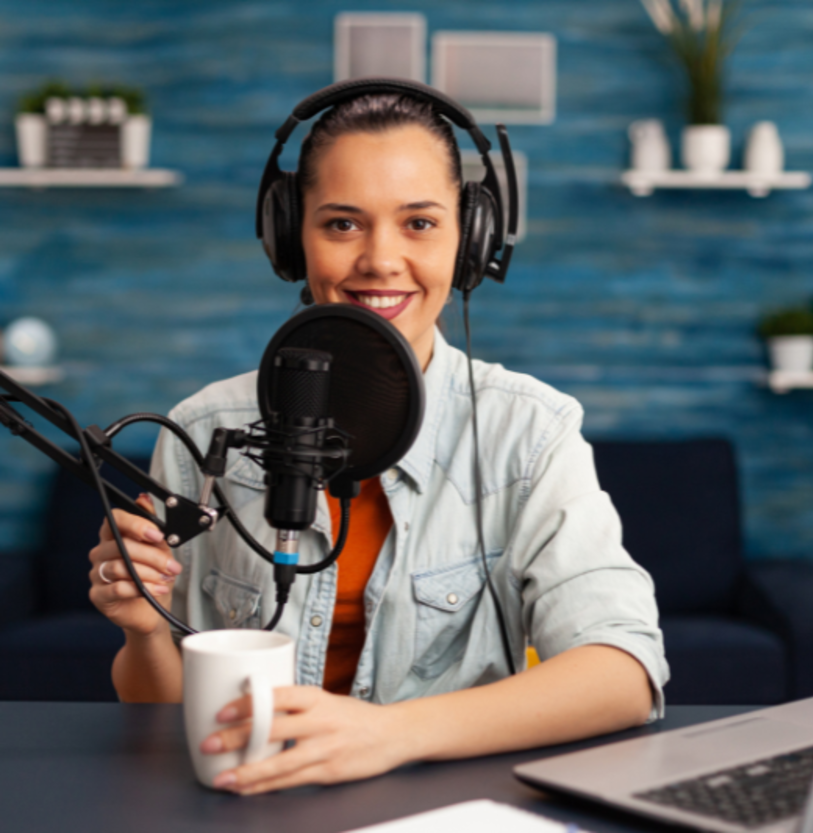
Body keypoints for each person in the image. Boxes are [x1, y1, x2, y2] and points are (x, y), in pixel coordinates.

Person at [88, 88, 668, 796]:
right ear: (288, 237)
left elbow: (624, 670)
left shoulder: (532, 430)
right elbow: (161, 712)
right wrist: (142, 630)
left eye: (420, 222)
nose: (381, 259)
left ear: (473, 241)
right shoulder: (202, 428)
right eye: (341, 224)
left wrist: (389, 734)